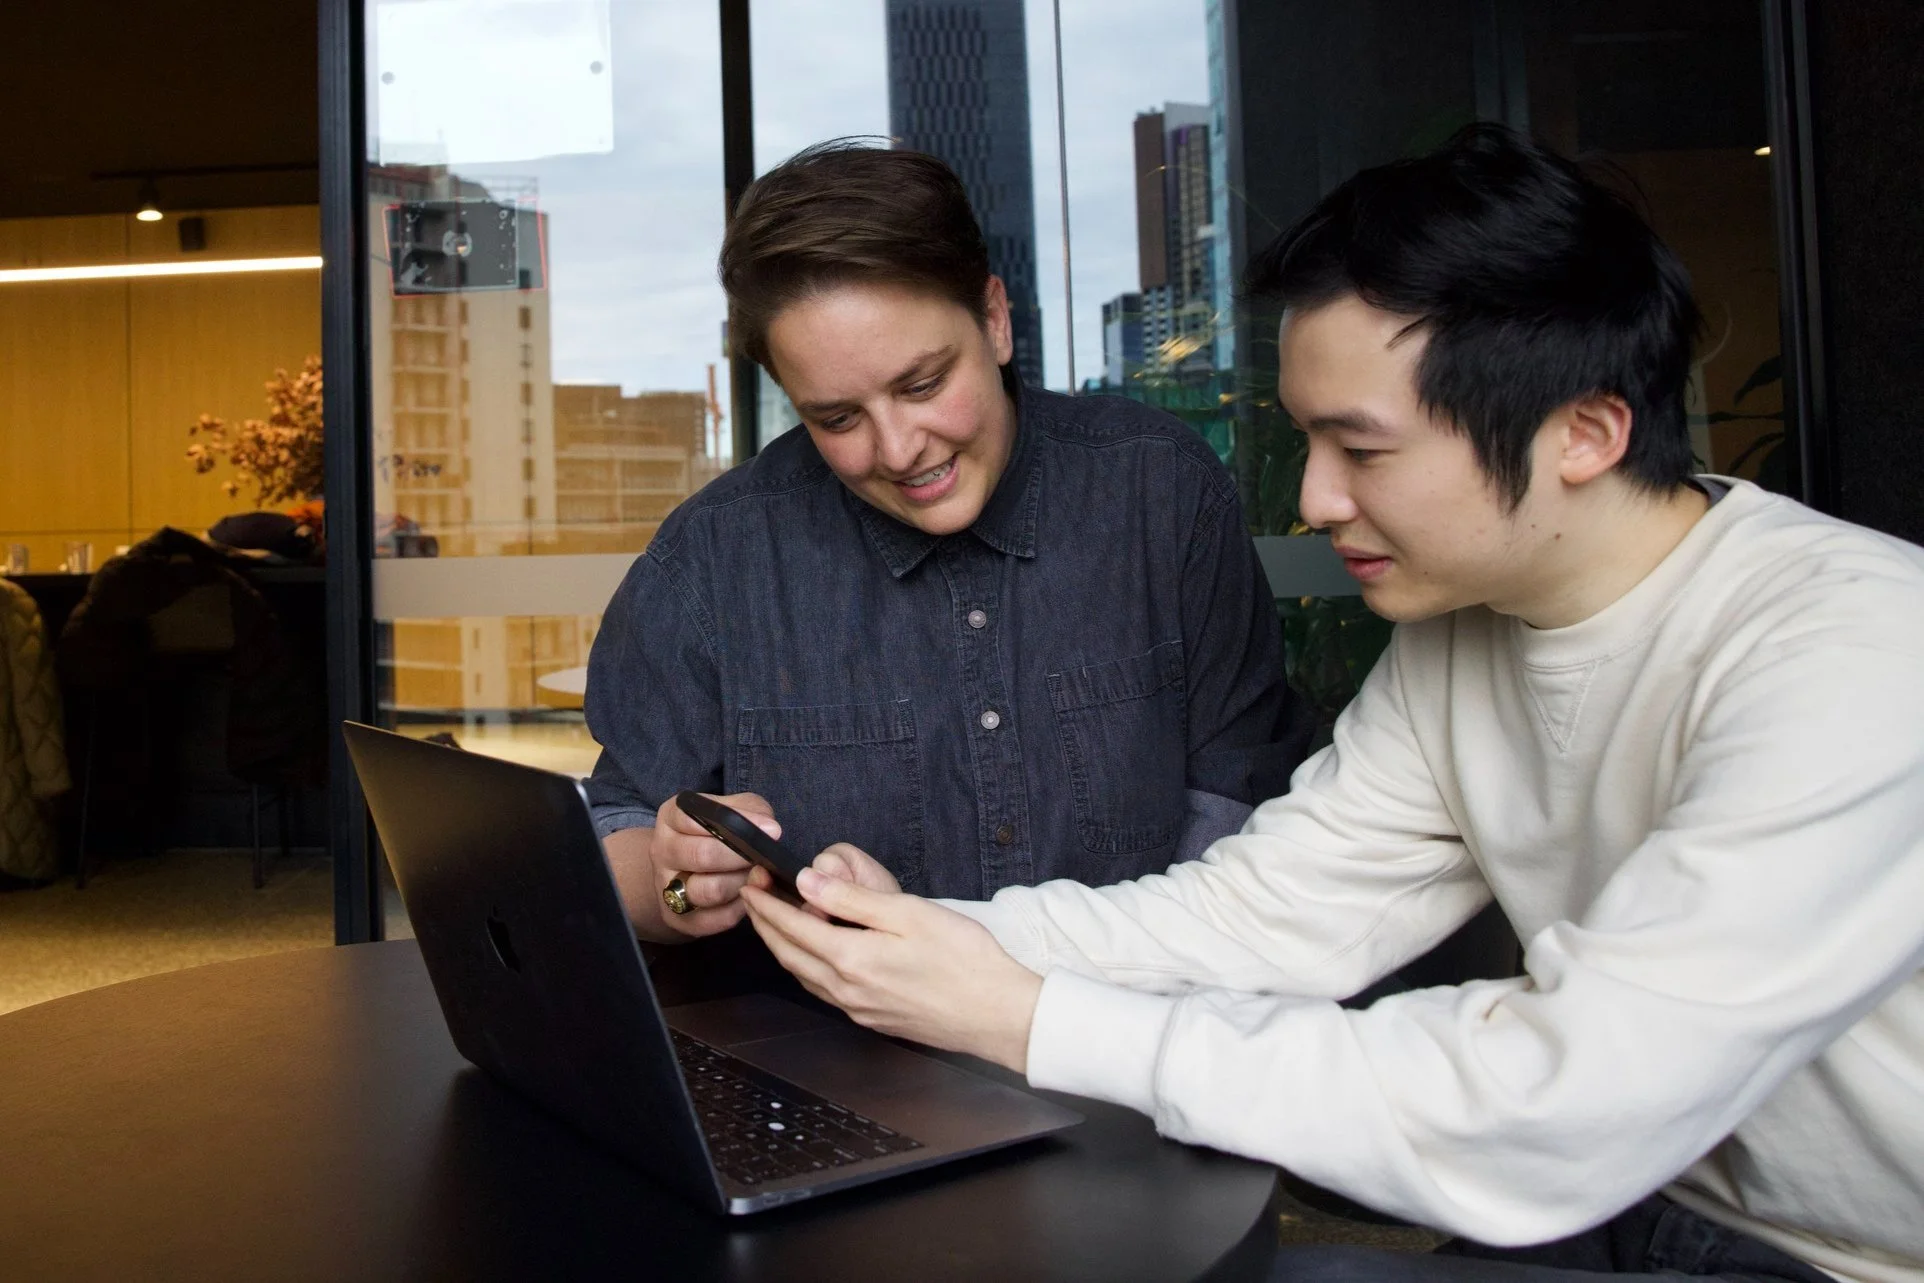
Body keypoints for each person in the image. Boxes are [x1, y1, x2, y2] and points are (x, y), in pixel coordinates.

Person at [738, 125, 1924, 1283]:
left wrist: (1030, 1018)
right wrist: (931, 941)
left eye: (1362, 449)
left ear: (1587, 430)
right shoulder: (1468, 633)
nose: (1310, 498)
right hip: (1644, 1205)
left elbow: (1552, 1103)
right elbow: (1265, 916)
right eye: (1307, 440)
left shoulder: (1860, 652)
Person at [583, 141, 1310, 946]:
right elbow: (621, 826)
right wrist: (674, 887)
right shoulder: (714, 557)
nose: (898, 450)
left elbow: (1245, 805)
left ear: (995, 320)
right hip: (827, 1060)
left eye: (923, 384)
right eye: (837, 418)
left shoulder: (1161, 492)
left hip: (1136, 1034)